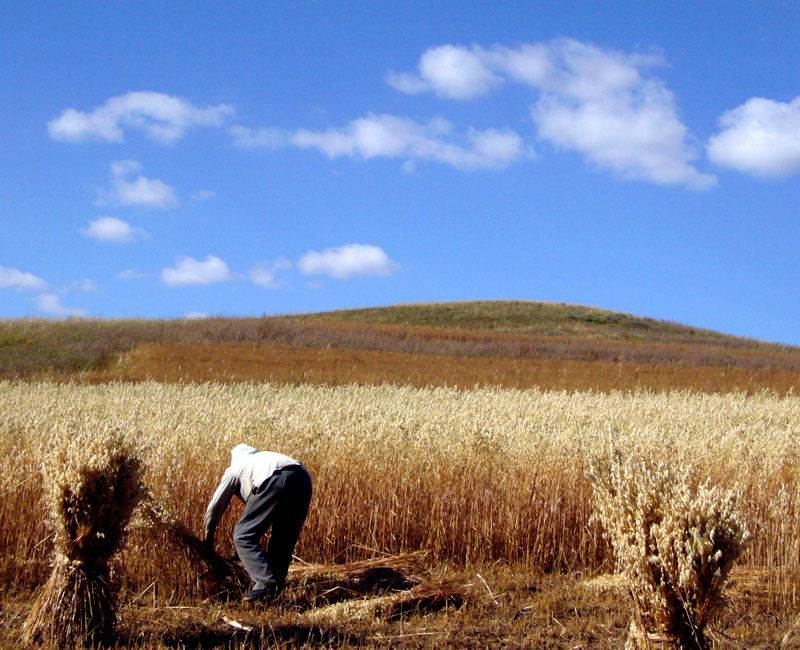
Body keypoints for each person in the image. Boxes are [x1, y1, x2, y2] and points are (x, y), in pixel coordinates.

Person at [204, 443, 312, 602]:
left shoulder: (236, 468)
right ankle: (272, 593)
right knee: (283, 540)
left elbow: (216, 505)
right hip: (303, 480)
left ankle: (265, 583)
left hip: (276, 478)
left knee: (243, 536)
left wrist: (209, 533)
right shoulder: (264, 458)